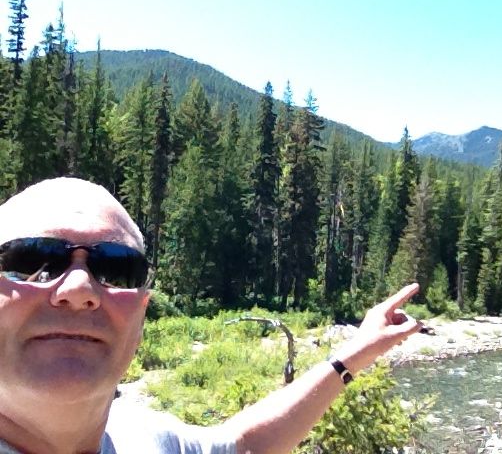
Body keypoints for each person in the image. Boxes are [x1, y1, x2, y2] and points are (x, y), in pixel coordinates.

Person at [0, 177, 423, 454]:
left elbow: (247, 443)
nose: (79, 290)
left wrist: (356, 353)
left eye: (116, 267)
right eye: (32, 260)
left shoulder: (142, 438)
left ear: (141, 313)